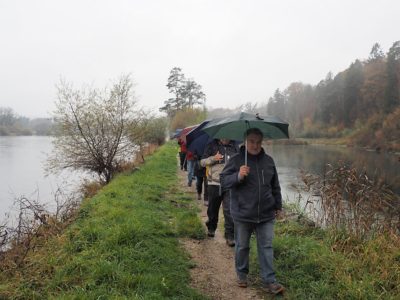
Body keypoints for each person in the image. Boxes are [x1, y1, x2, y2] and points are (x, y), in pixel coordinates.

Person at [220, 128, 285, 295]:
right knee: (242, 246)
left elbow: (275, 186)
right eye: (251, 141)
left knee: (266, 247)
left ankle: (270, 281)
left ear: (262, 142)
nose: (255, 145)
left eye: (258, 142)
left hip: (266, 214)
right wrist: (238, 176)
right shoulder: (235, 161)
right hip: (243, 213)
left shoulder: (269, 161)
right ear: (245, 141)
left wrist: (278, 207)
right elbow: (223, 181)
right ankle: (242, 275)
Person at [200, 138, 238, 246]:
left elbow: (240, 161)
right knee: (213, 208)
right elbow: (202, 162)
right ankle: (211, 227)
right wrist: (213, 158)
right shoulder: (211, 145)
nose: (225, 137)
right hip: (214, 183)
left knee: (229, 210)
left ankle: (230, 236)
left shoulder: (235, 146)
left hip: (230, 183)